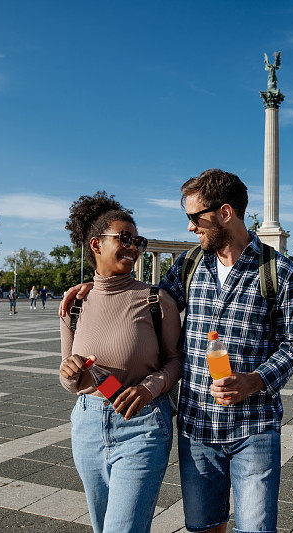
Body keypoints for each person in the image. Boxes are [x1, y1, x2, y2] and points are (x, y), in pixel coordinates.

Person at [61, 169, 293, 533]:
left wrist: (254, 381)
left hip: (254, 426)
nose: (191, 228)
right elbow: (140, 304)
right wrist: (95, 287)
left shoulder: (279, 271)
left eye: (195, 218)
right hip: (197, 428)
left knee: (255, 528)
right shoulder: (189, 265)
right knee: (205, 527)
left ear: (225, 213)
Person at [59, 192, 182, 533]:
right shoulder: (75, 304)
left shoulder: (157, 300)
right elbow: (71, 378)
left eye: (137, 241)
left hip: (142, 426)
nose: (133, 247)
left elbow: (175, 360)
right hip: (87, 426)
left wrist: (149, 387)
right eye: (123, 239)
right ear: (96, 244)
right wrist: (70, 374)